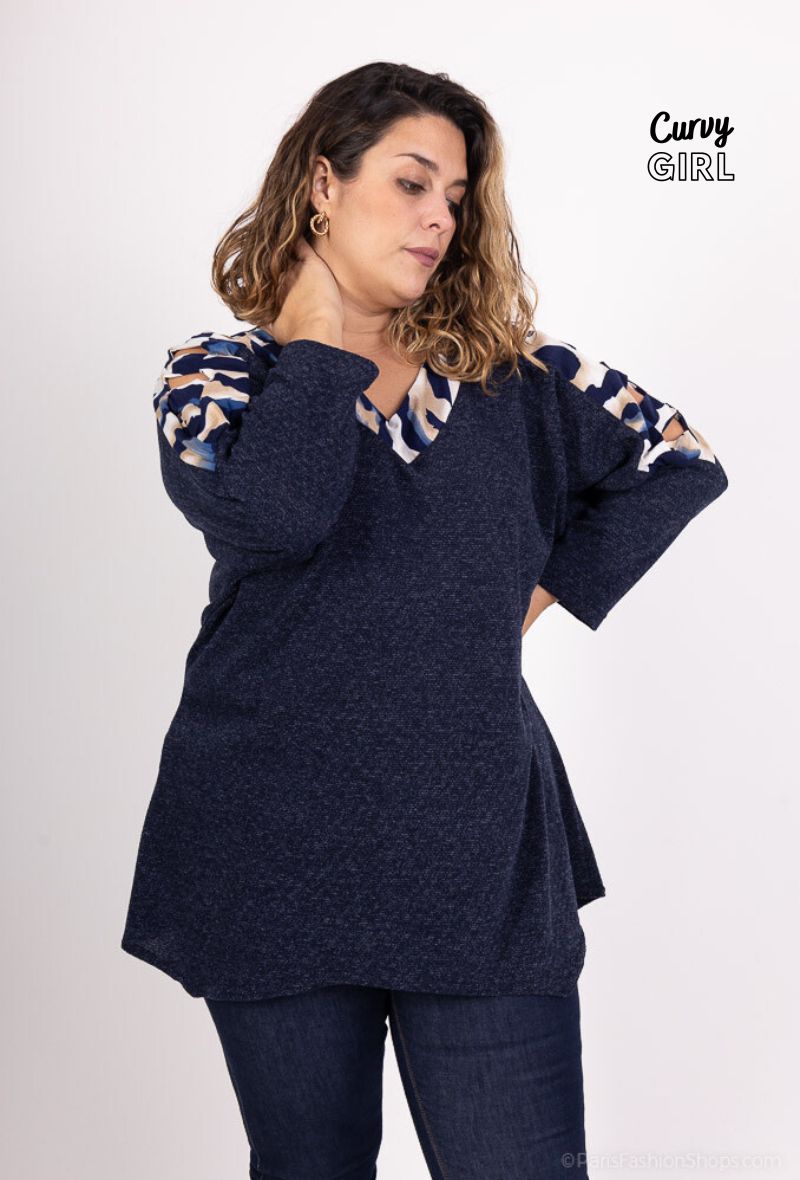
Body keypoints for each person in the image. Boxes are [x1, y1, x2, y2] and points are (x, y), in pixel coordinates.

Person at [120, 61, 729, 1179]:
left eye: (454, 195)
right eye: (410, 183)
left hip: (477, 851)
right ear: (323, 184)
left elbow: (677, 461)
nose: (440, 217)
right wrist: (316, 342)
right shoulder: (217, 379)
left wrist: (525, 598)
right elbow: (278, 515)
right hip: (268, 844)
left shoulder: (523, 381)